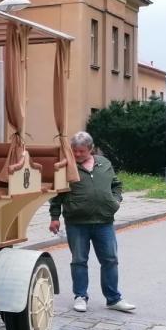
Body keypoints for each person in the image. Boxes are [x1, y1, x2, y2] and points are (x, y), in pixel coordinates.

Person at [47, 131, 136, 314]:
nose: (77, 154)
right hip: (77, 223)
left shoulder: (104, 164)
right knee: (79, 260)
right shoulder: (67, 166)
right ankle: (80, 296)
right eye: (75, 151)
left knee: (110, 260)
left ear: (91, 149)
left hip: (104, 221)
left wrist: (115, 201)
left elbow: (116, 184)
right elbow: (57, 195)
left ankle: (113, 299)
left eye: (81, 151)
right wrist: (55, 218)